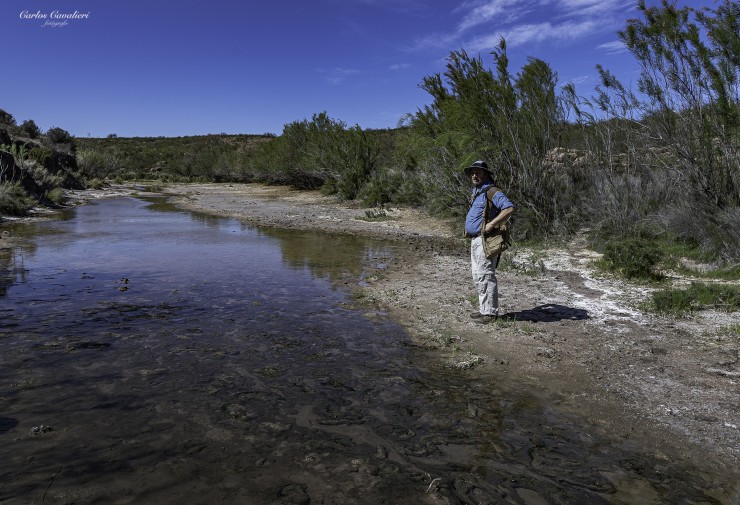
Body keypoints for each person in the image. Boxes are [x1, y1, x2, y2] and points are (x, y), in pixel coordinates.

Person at [464, 160, 515, 324]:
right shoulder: (477, 192)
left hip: (486, 239)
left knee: (485, 274)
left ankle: (490, 313)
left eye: (478, 172)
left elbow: (509, 208)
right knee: (478, 275)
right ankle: (484, 310)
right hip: (476, 239)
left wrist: (492, 224)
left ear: (485, 174)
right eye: (473, 172)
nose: (474, 175)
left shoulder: (491, 191)